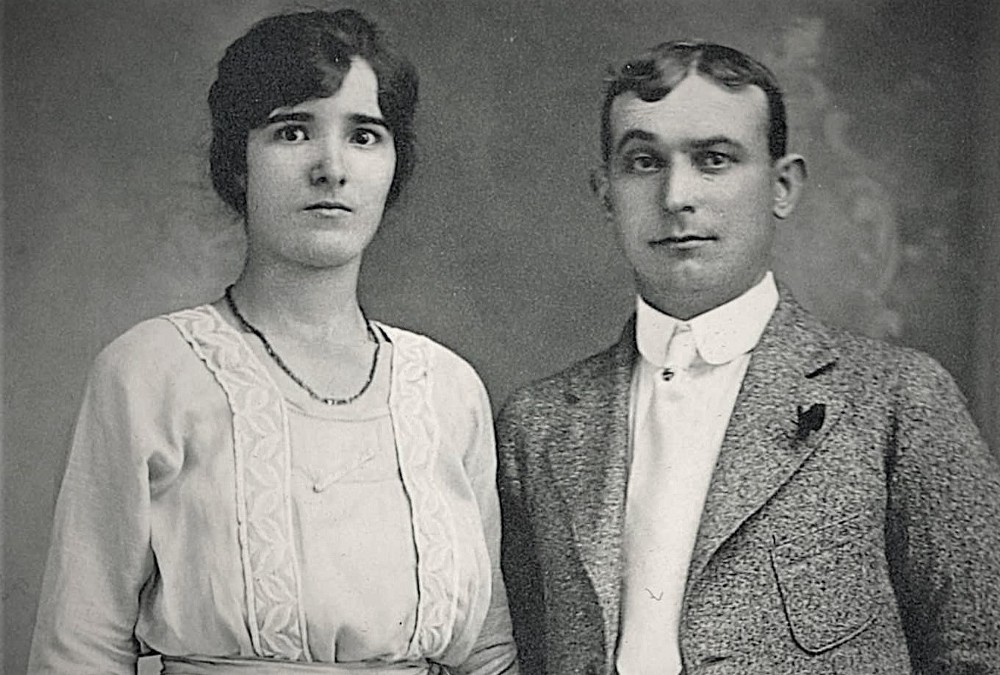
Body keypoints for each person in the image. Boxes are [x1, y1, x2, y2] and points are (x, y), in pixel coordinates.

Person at [28, 9, 517, 675]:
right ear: (236, 165)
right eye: (293, 131)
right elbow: (79, 650)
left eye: (365, 136)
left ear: (393, 166)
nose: (332, 168)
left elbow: (487, 652)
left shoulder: (447, 389)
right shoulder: (148, 373)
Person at [496, 40, 1000, 674]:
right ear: (605, 193)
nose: (677, 195)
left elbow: (982, 650)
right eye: (644, 162)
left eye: (713, 159)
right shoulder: (536, 426)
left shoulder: (897, 400)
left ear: (782, 185)